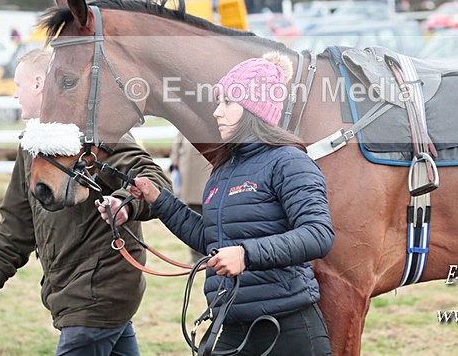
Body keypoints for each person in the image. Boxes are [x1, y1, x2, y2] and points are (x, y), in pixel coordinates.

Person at [101, 52, 335, 355]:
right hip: (231, 326)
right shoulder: (223, 171)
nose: (217, 112)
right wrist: (158, 200)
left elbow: (318, 234)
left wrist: (246, 254)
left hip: (288, 330)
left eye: (227, 102)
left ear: (253, 108)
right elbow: (210, 238)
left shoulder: (289, 162)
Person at [0, 47, 171, 356]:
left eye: (18, 86)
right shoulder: (32, 146)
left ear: (37, 84)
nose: (15, 96)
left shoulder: (94, 132)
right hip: (75, 293)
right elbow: (17, 228)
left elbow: (154, 179)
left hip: (97, 294)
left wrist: (126, 203)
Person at [169, 133, 211, 262]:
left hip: (208, 171)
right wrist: (174, 161)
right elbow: (178, 142)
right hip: (189, 173)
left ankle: (210, 254)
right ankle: (196, 257)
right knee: (193, 216)